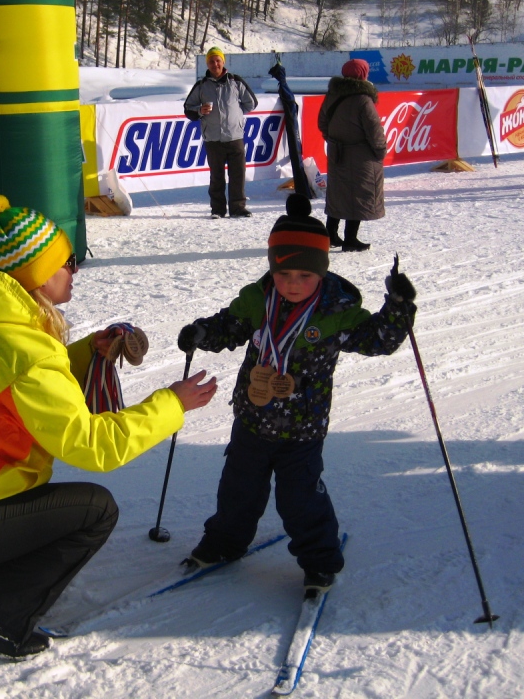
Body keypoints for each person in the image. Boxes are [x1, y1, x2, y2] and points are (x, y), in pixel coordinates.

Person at [0, 195, 218, 660]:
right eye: (68, 262)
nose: (76, 270)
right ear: (35, 274)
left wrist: (86, 352)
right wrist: (172, 404)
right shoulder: (28, 351)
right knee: (94, 511)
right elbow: (94, 447)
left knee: (32, 516)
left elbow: (16, 388)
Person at [176, 194, 416, 594]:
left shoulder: (334, 311)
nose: (293, 284)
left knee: (300, 499)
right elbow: (230, 325)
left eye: (305, 276)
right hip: (252, 417)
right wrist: (202, 332)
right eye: (285, 274)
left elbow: (378, 340)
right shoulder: (259, 299)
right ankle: (223, 544)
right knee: (238, 490)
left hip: (302, 427)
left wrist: (398, 307)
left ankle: (320, 560)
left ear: (321, 273)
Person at [316, 58, 387, 252]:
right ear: (363, 75)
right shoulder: (363, 99)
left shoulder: (333, 94)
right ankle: (350, 239)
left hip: (337, 153)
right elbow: (375, 131)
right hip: (361, 155)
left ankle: (331, 233)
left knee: (338, 194)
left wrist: (334, 139)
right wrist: (380, 152)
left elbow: (322, 122)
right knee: (358, 195)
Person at [184, 46, 259, 219]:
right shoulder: (201, 85)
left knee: (238, 175)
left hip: (235, 137)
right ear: (208, 65)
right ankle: (217, 210)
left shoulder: (236, 81)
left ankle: (238, 208)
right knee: (216, 177)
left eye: (218, 60)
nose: (215, 64)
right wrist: (200, 111)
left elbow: (251, 103)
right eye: (211, 61)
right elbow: (188, 110)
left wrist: (236, 115)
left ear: (223, 62)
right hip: (213, 139)